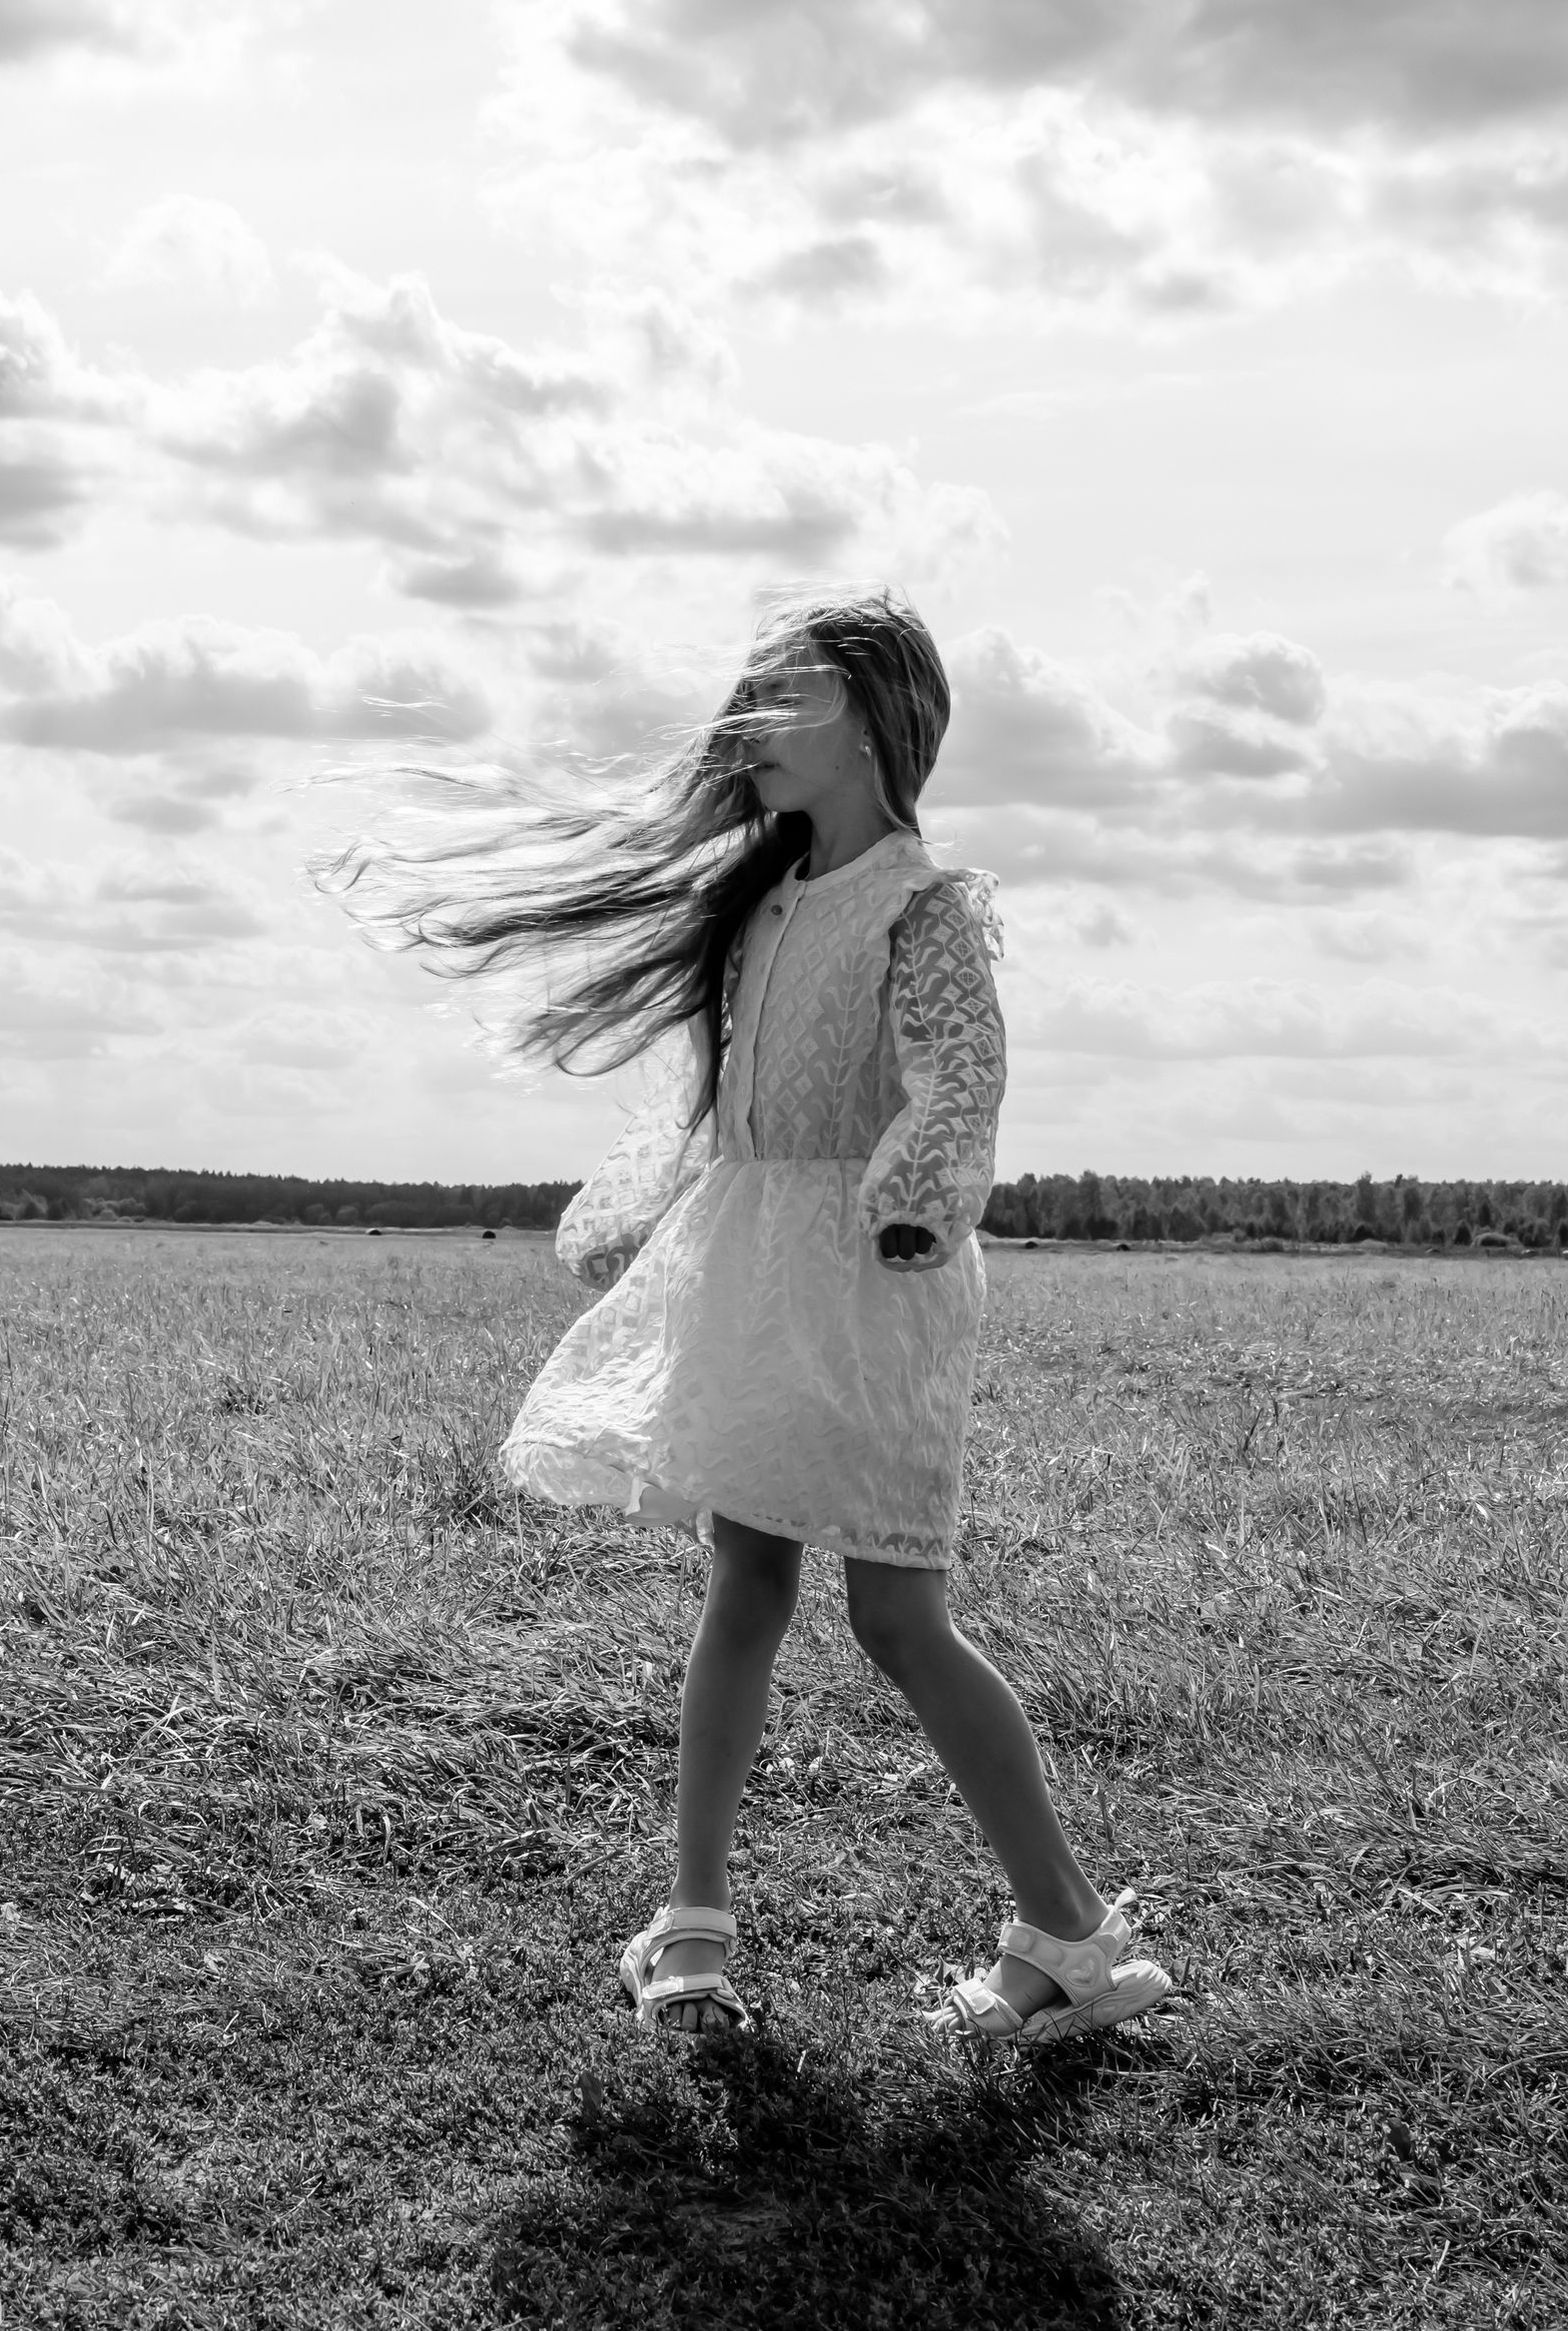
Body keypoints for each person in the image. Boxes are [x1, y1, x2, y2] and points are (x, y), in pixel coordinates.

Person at [327, 584, 1174, 2044]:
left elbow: (959, 1077)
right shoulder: (764, 904)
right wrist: (636, 1203)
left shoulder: (922, 906)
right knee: (748, 1582)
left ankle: (1073, 1936)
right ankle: (694, 1922)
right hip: (753, 1271)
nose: (749, 726)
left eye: (788, 698)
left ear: (875, 719)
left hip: (878, 1282)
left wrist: (917, 1195)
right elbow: (716, 1104)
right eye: (751, 696)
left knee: (897, 1615)